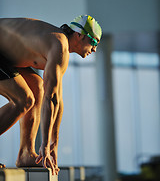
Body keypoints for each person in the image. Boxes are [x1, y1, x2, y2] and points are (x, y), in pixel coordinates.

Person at [0, 15, 102, 175]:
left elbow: (57, 100)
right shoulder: (59, 45)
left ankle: (26, 153)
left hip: (5, 55)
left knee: (38, 87)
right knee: (23, 99)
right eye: (94, 42)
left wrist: (53, 143)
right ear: (79, 35)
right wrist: (45, 145)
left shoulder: (61, 48)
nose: (95, 48)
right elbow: (51, 99)